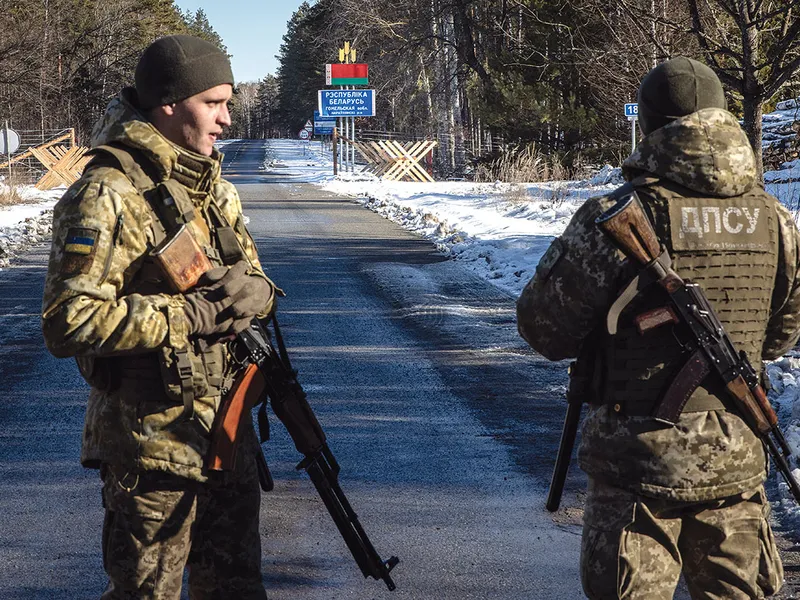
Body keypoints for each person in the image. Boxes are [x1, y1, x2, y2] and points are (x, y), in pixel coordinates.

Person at [517, 56, 800, 599]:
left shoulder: (614, 214)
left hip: (635, 468)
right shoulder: (776, 219)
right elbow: (781, 335)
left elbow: (544, 330)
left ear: (647, 126)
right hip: (736, 458)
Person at [41, 35, 275, 599]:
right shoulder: (107, 193)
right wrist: (187, 314)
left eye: (228, 102)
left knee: (236, 588)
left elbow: (250, 282)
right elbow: (67, 320)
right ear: (169, 103)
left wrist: (257, 293)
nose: (225, 118)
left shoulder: (211, 186)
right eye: (213, 102)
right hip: (150, 447)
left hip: (225, 431)